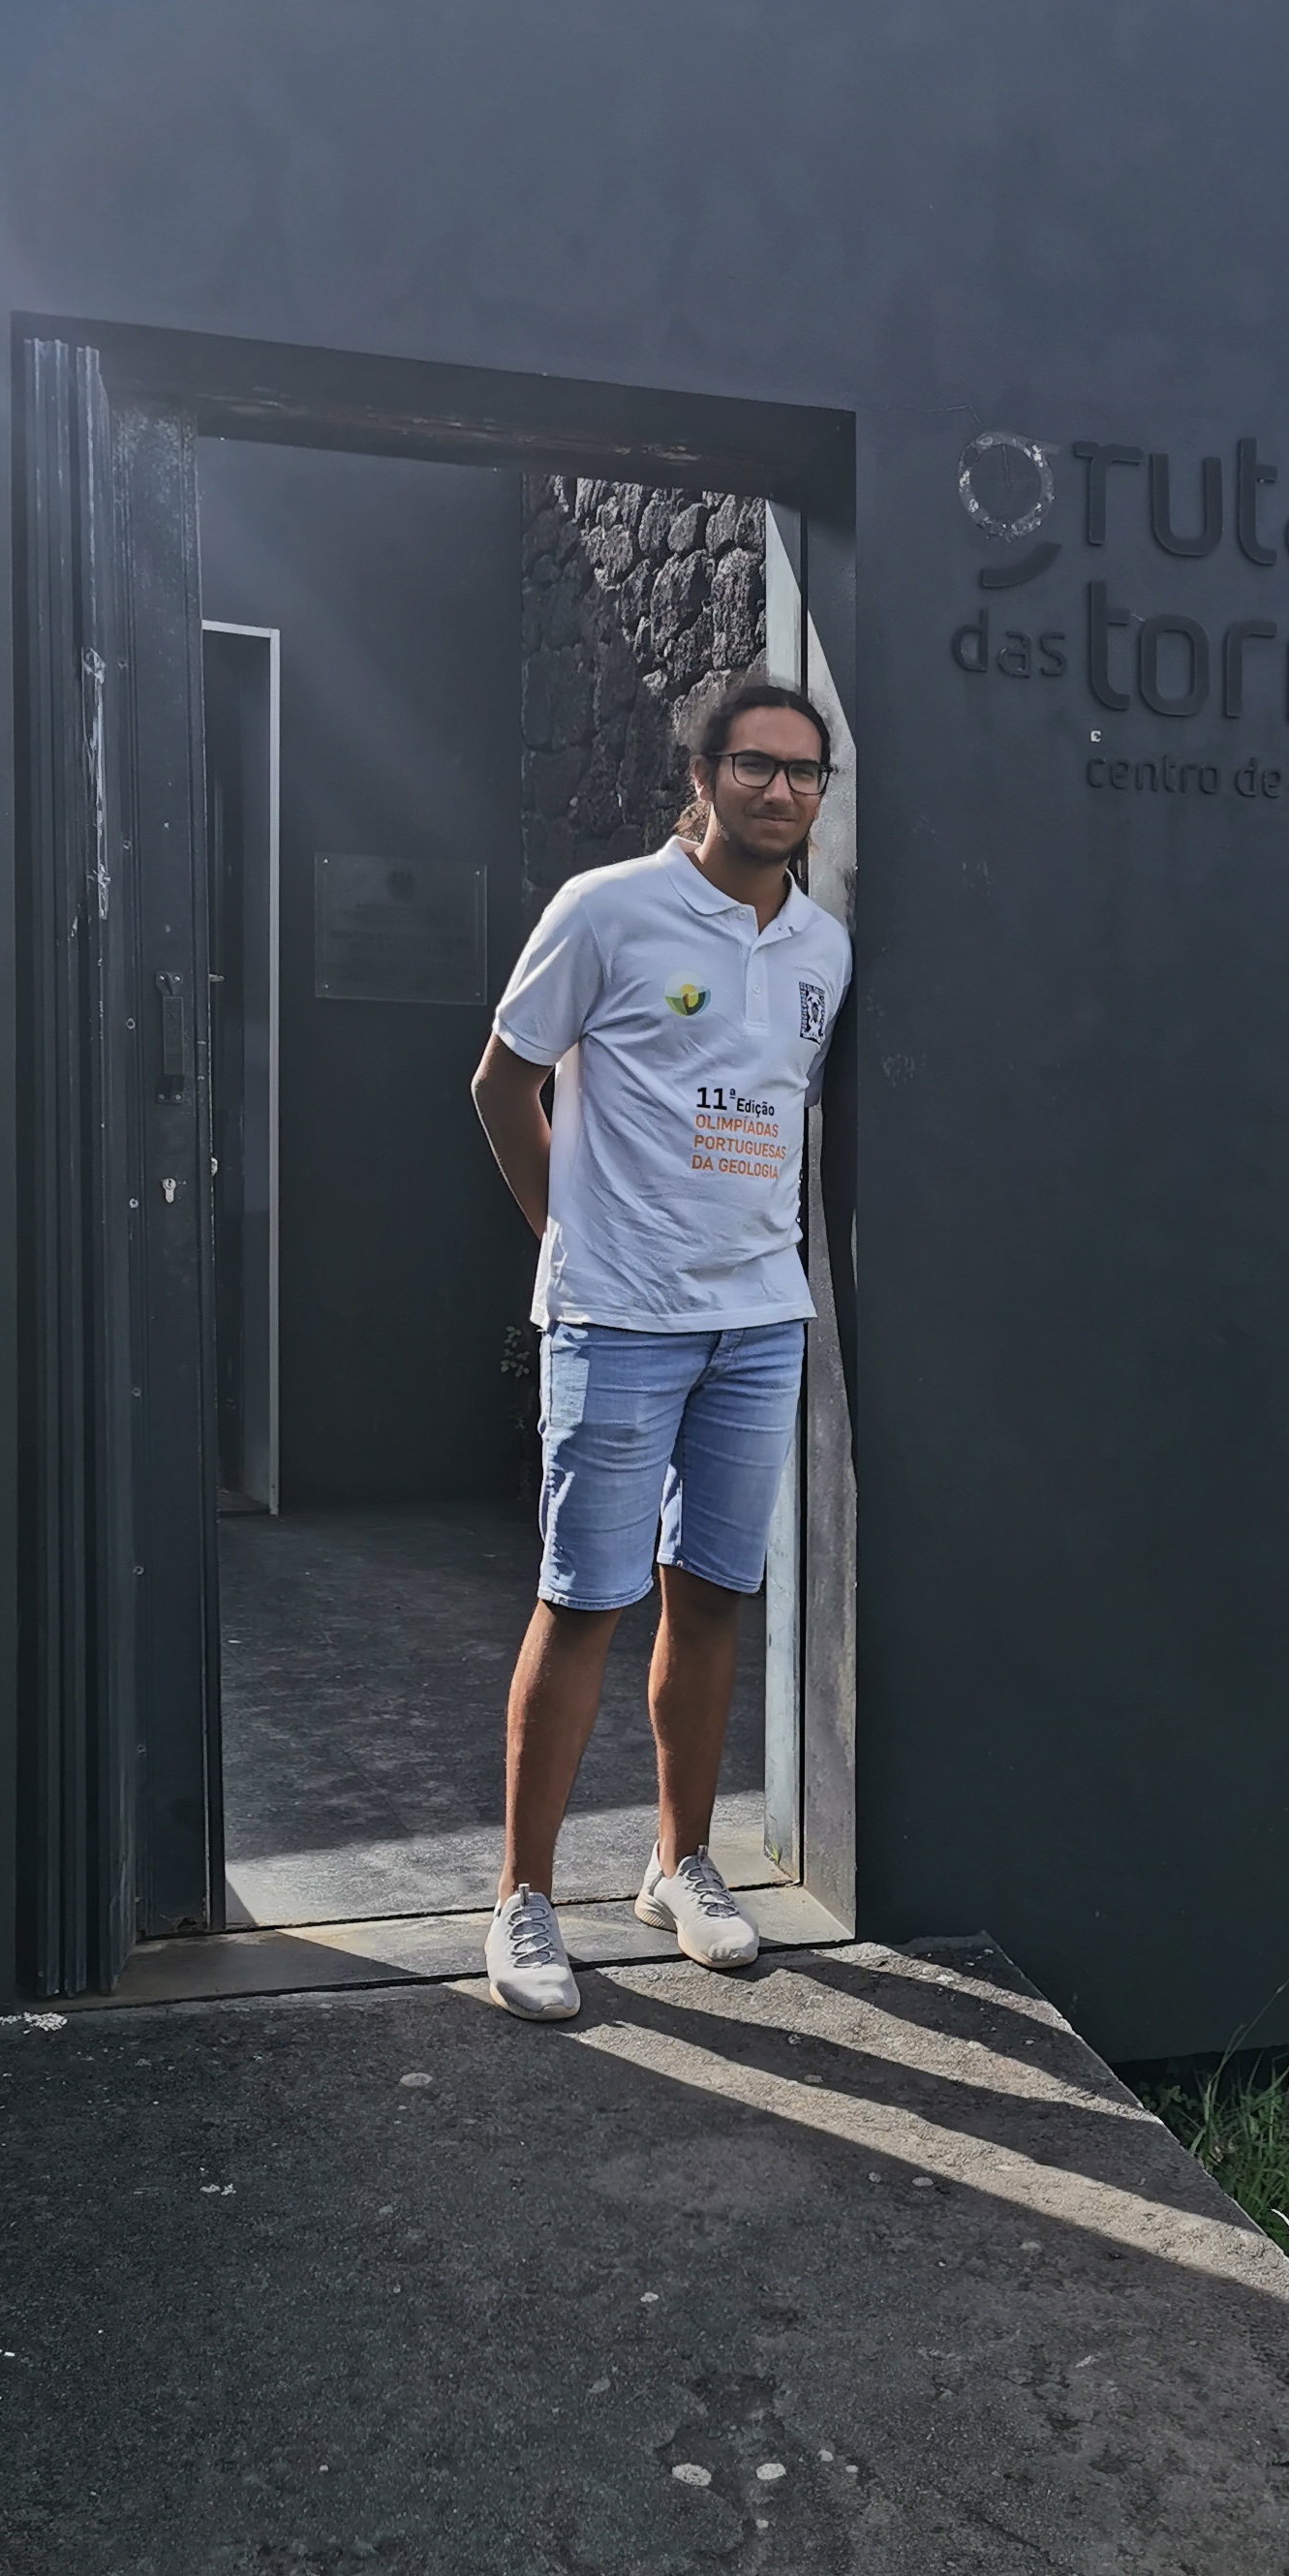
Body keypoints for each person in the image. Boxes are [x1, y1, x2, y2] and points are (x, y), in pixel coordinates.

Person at [469, 668, 848, 2020]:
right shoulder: (607, 909)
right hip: (618, 1318)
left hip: (759, 1320)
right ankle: (521, 1900)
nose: (781, 790)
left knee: (715, 1595)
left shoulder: (822, 949)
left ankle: (681, 1864)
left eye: (804, 772)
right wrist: (568, 1239)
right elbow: (502, 1082)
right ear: (701, 775)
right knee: (585, 1600)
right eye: (755, 765)